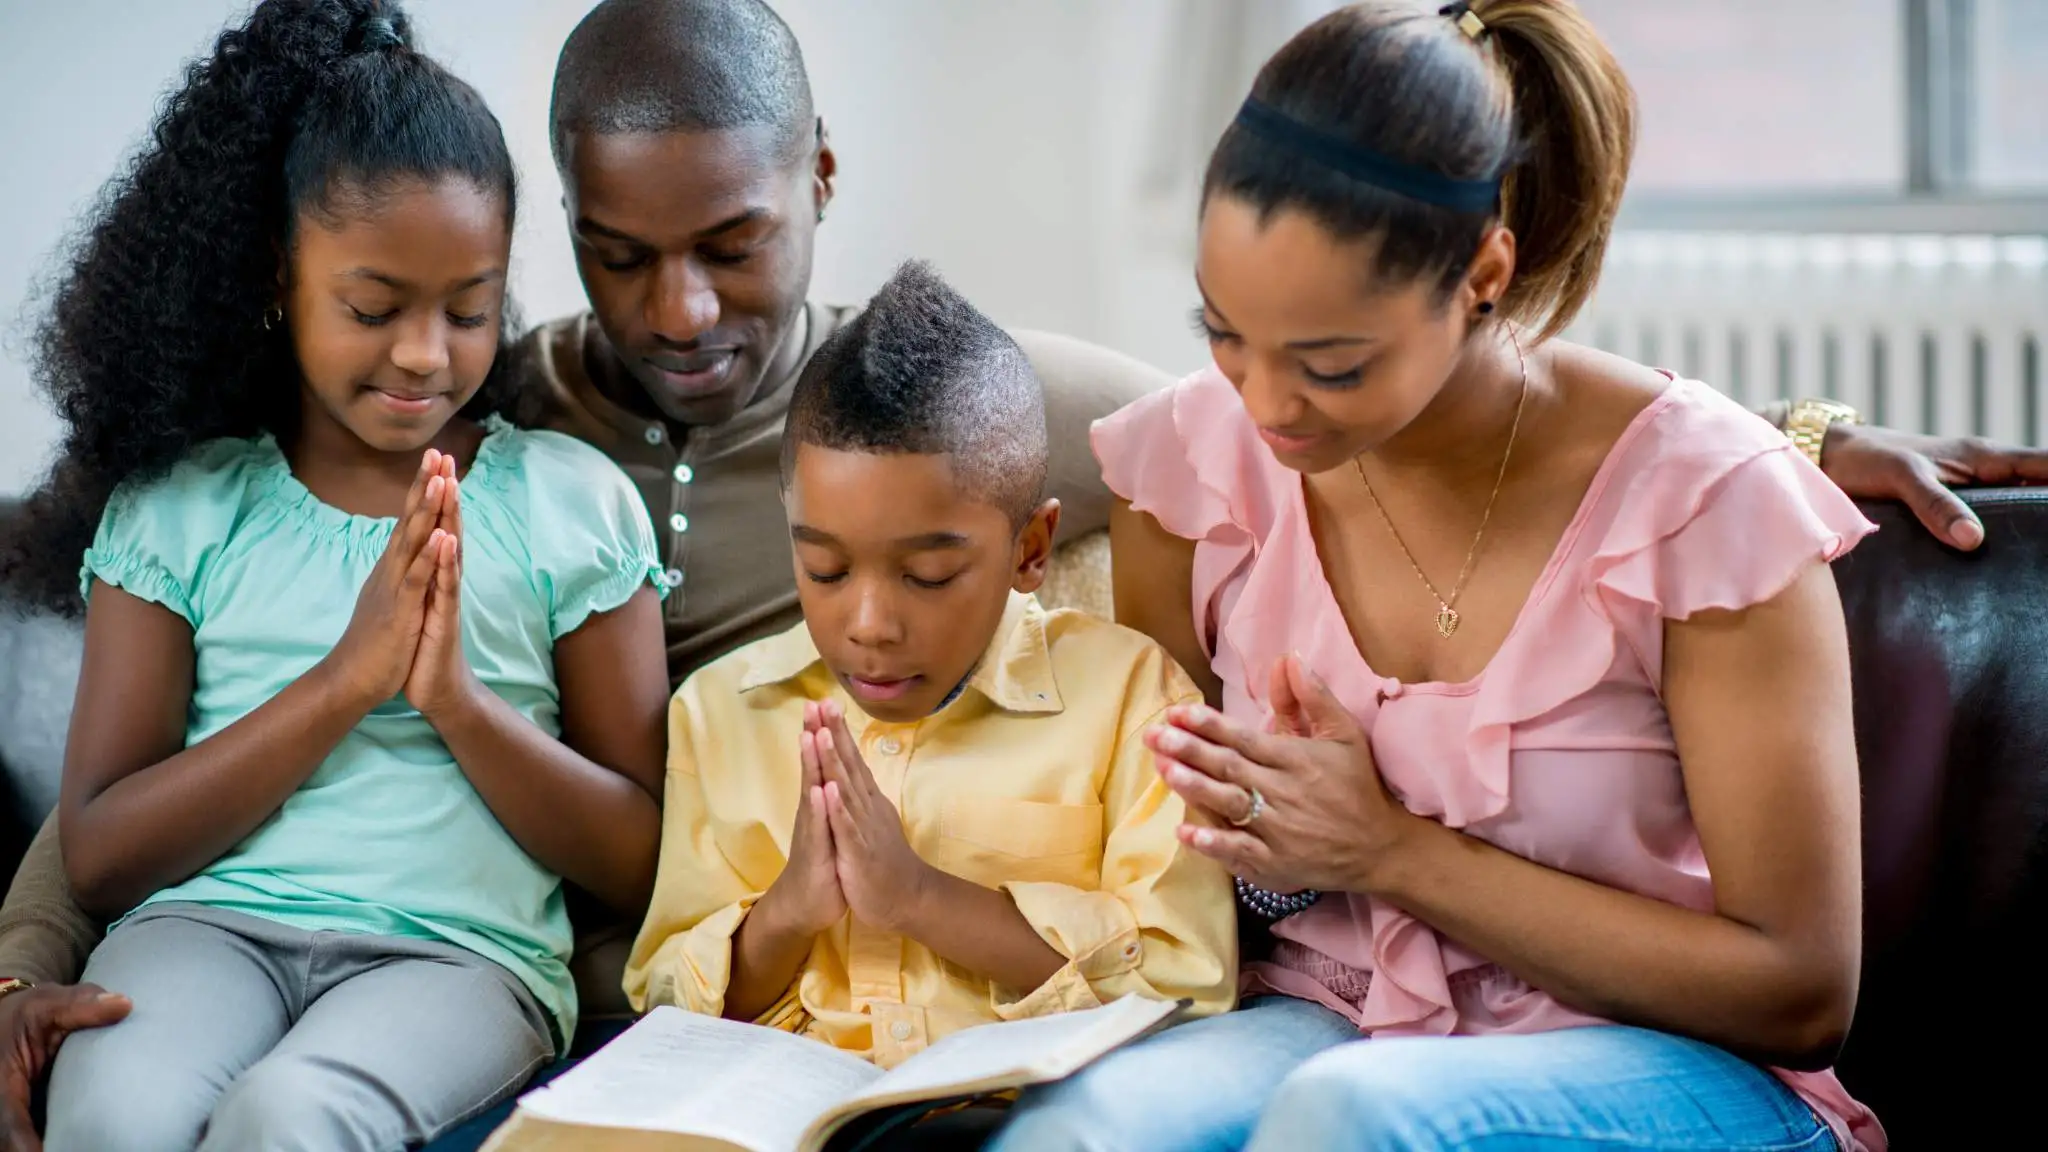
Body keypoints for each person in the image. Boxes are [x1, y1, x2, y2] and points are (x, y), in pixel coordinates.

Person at [0, 0, 2035, 1143]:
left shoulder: (1025, 414)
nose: (681, 307)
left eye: (727, 242)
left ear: (814, 185)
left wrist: (1780, 434)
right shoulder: (500, 444)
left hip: (1143, 1010)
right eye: (622, 257)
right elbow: (145, 649)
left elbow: (1465, 396)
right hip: (687, 1002)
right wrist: (28, 959)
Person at [988, 2, 1885, 1150]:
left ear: (1481, 271)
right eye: (1221, 334)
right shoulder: (1190, 472)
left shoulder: (1706, 507)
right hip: (1330, 1015)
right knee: (1091, 1127)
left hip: (1670, 1064)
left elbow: (1801, 990)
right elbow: (1191, 881)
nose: (1262, 408)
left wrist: (1390, 851)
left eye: (1330, 364)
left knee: (1347, 1118)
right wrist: (1253, 844)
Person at [0, 2, 673, 1149]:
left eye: (469, 310)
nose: (425, 353)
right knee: (115, 1112)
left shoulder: (569, 504)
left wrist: (451, 700)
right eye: (373, 308)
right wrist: (343, 685)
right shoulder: (181, 508)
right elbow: (103, 848)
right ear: (278, 276)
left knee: (291, 1116)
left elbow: (638, 852)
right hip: (204, 930)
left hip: (458, 956)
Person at [626, 262, 1236, 1071]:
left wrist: (922, 899)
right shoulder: (719, 712)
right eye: (827, 571)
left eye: (928, 577)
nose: (870, 626)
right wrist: (787, 914)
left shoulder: (1129, 700)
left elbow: (1186, 984)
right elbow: (664, 998)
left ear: (1030, 549)